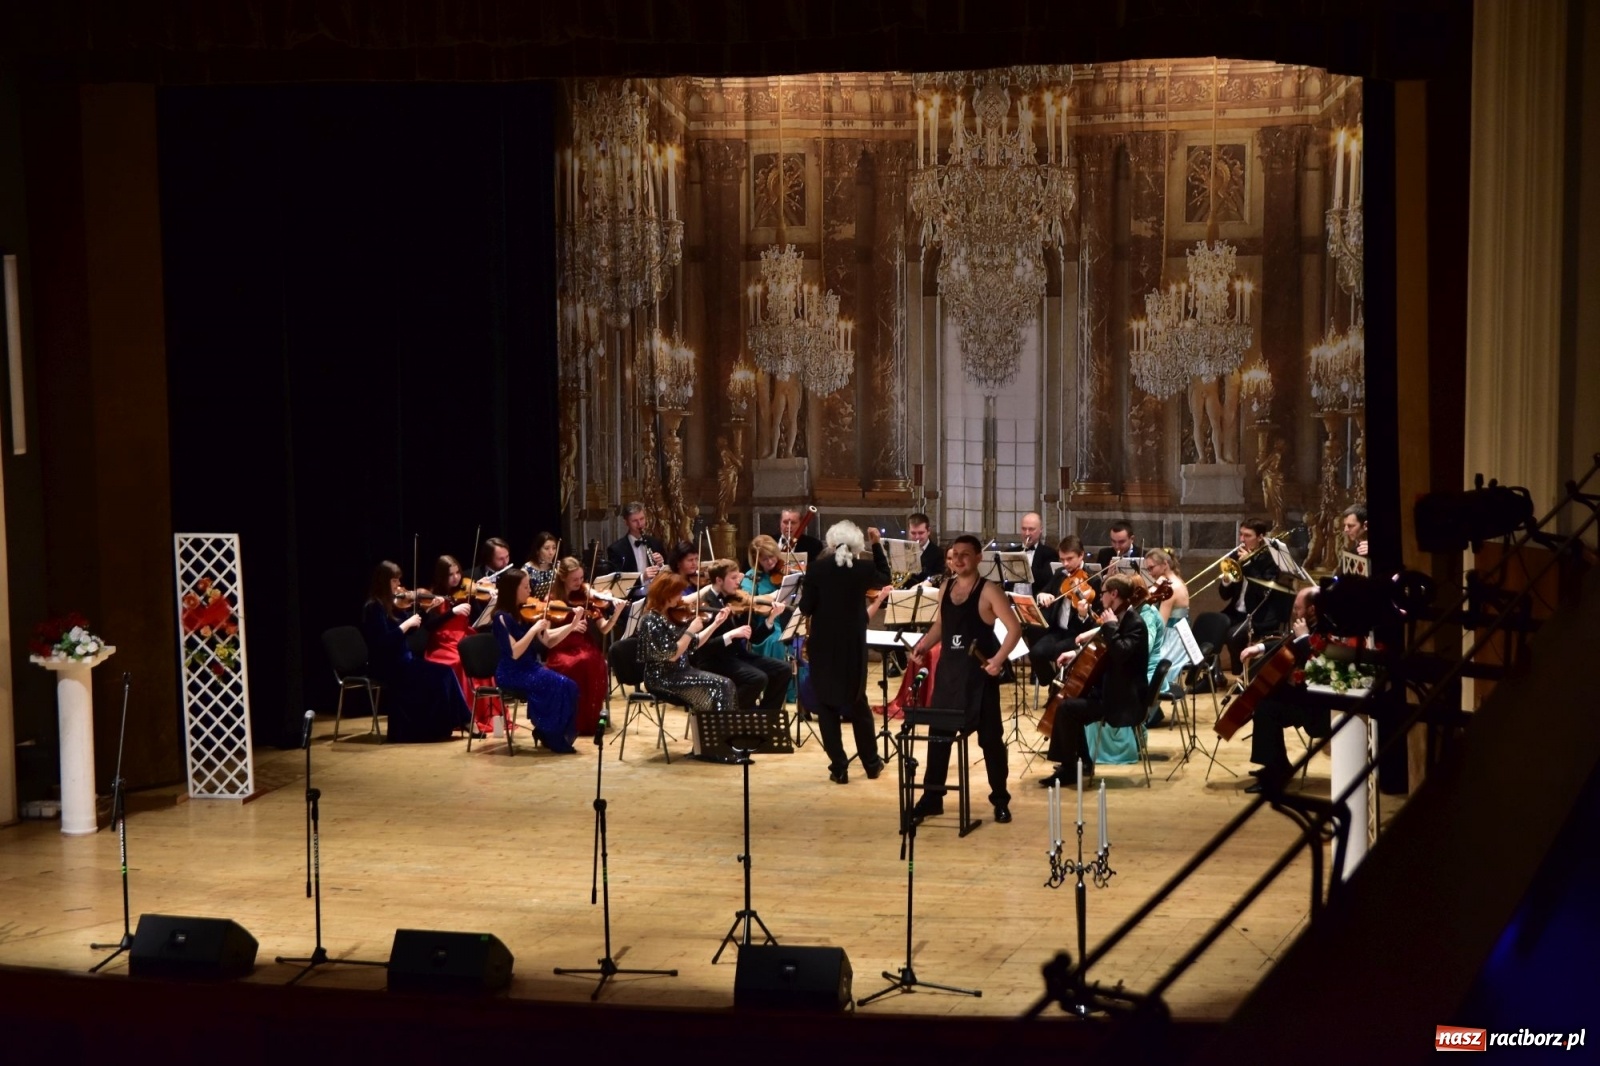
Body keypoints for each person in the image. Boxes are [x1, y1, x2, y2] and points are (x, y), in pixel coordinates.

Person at [906, 535, 1021, 825]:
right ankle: (933, 798)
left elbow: (1014, 629)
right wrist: (923, 644)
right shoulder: (946, 586)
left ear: (978, 557)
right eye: (954, 554)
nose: (958, 560)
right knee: (939, 738)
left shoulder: (989, 591)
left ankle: (1000, 799)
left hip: (979, 679)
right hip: (949, 675)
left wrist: (998, 660)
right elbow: (941, 625)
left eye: (965, 555)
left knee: (991, 742)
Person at [798, 522, 892, 784]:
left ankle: (839, 767)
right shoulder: (862, 568)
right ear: (856, 545)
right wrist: (877, 543)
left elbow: (806, 607)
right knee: (857, 700)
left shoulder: (816, 568)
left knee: (827, 706)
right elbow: (885, 576)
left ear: (831, 543)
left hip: (823, 644)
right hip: (852, 644)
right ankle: (872, 764)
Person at [1038, 574, 1152, 783]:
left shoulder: (1134, 622)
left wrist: (1109, 627)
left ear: (1114, 594)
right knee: (1067, 700)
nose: (1100, 598)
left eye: (1103, 594)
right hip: (1111, 688)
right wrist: (1075, 654)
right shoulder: (1119, 618)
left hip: (1123, 699)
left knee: (1067, 708)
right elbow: (1103, 650)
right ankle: (1079, 763)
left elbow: (1120, 652)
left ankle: (1072, 767)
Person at [361, 561, 471, 742]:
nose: (399, 586)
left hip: (405, 661)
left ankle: (458, 722)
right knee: (438, 676)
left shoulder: (392, 604)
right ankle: (437, 728)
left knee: (445, 672)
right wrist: (406, 624)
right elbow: (382, 643)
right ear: (384, 581)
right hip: (387, 665)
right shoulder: (374, 607)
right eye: (394, 581)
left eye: (398, 581)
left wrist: (425, 610)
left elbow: (413, 629)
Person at [636, 573, 739, 759]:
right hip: (662, 678)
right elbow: (672, 655)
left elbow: (694, 643)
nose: (681, 597)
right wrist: (691, 630)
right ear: (666, 594)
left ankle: (716, 746)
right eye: (678, 593)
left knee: (725, 684)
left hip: (682, 672)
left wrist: (716, 624)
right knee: (721, 685)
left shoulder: (669, 615)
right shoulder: (649, 620)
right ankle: (713, 748)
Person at [1239, 587, 1327, 792]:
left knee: (1267, 708)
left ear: (1312, 609)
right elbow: (1287, 641)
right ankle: (1276, 765)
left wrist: (1303, 638)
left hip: (1319, 707)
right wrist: (1259, 648)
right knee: (1265, 701)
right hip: (1305, 696)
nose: (1295, 612)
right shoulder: (1310, 624)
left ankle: (1275, 771)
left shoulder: (1324, 628)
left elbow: (1317, 663)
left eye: (1298, 608)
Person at [490, 568, 581, 754]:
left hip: (530, 667)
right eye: (525, 587)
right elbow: (514, 652)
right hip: (511, 673)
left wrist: (571, 626)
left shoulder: (526, 612)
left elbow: (548, 641)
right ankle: (549, 734)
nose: (530, 591)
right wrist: (533, 631)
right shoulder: (501, 618)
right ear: (513, 590)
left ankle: (546, 731)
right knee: (555, 684)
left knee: (570, 686)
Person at [694, 558, 792, 712]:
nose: (737, 583)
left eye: (737, 577)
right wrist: (731, 635)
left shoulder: (738, 601)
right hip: (714, 661)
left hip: (738, 657)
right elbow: (702, 648)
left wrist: (771, 618)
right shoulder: (705, 605)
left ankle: (764, 718)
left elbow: (755, 638)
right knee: (757, 678)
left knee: (783, 669)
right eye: (733, 578)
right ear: (719, 580)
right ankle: (727, 717)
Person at [419, 554, 501, 736]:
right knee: (461, 662)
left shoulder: (466, 590)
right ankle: (466, 717)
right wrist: (452, 612)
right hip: (443, 643)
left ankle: (492, 718)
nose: (457, 577)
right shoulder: (433, 595)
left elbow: (478, 617)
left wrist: (490, 595)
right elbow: (429, 625)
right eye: (451, 574)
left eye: (457, 572)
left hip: (464, 636)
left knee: (483, 663)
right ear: (441, 576)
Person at [542, 557, 620, 736]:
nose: (580, 583)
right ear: (563, 579)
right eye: (575, 579)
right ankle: (572, 720)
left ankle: (590, 720)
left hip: (585, 645)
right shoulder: (552, 599)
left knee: (592, 660)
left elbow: (604, 628)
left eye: (581, 578)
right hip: (561, 647)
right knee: (575, 664)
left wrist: (616, 614)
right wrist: (570, 627)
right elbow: (545, 634)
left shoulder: (586, 596)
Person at [1218, 519, 1293, 671]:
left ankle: (1240, 674)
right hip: (1236, 611)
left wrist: (1249, 564)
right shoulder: (1236, 556)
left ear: (1260, 537)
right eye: (1241, 534)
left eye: (1247, 535)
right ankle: (1213, 674)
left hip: (1260, 614)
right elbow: (1224, 596)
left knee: (1234, 636)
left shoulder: (1271, 560)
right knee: (1212, 627)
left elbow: (1264, 592)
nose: (1241, 539)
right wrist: (1226, 581)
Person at [1030, 536, 1096, 686]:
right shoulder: (1060, 574)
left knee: (1058, 651)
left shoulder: (1092, 579)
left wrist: (1082, 614)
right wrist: (1042, 595)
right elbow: (1042, 592)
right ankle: (1053, 683)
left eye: (1069, 559)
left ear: (1081, 555)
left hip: (1078, 633)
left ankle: (1057, 692)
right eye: (1062, 559)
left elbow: (1094, 622)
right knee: (1036, 653)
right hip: (1057, 631)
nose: (1065, 564)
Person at [1141, 548, 1191, 703]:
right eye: (1147, 569)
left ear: (1164, 565)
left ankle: (1148, 710)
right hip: (1175, 634)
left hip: (1174, 639)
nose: (1149, 573)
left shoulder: (1171, 588)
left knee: (1147, 661)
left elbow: (1160, 625)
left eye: (1151, 568)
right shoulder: (1170, 580)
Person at [743, 535, 796, 662]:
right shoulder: (751, 577)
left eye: (772, 556)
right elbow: (748, 601)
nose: (771, 562)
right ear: (756, 559)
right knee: (776, 640)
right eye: (764, 559)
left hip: (787, 620)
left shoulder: (783, 572)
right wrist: (775, 595)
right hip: (766, 625)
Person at [605, 501, 666, 588]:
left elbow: (667, 574)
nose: (640, 524)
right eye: (634, 521)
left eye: (642, 519)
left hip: (655, 593)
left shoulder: (655, 543)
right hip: (632, 596)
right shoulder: (616, 549)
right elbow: (617, 581)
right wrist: (642, 578)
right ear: (626, 522)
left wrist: (661, 565)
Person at [1094, 520, 1144, 588]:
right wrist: (1107, 577)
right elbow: (1097, 586)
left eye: (1121, 542)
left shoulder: (1143, 555)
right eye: (1113, 541)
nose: (1117, 546)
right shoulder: (1104, 554)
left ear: (1132, 539)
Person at [522, 531, 560, 600]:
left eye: (554, 548)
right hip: (533, 607)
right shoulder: (527, 570)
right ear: (537, 551)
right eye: (546, 548)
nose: (551, 553)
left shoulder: (557, 567)